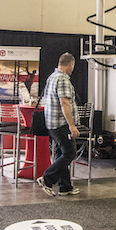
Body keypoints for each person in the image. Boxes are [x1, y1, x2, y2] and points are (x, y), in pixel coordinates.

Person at [36, 53, 80, 196]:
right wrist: (72, 125)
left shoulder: (52, 77)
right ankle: (47, 179)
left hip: (52, 123)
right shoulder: (63, 79)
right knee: (69, 153)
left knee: (61, 154)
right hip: (62, 124)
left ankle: (65, 187)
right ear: (70, 65)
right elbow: (64, 103)